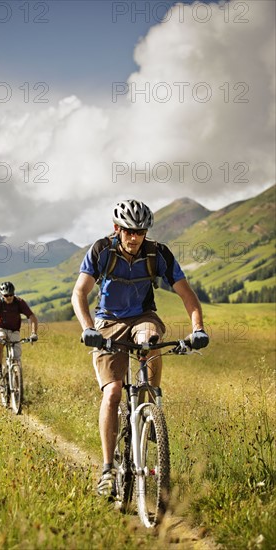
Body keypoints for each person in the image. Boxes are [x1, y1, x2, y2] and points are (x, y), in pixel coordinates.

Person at [71, 199, 209, 498]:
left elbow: (187, 294)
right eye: (129, 231)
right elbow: (79, 292)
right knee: (113, 392)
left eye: (141, 232)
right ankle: (108, 468)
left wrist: (198, 328)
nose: (135, 238)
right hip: (107, 321)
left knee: (150, 339)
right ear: (117, 229)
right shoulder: (101, 251)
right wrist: (88, 328)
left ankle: (149, 406)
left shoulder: (158, 253)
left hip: (142, 317)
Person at [0, 281, 38, 379]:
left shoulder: (19, 302)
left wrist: (34, 333)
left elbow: (32, 317)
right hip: (0, 328)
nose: (9, 297)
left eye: (11, 295)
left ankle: (16, 388)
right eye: (6, 295)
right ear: (2, 295)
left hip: (14, 331)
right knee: (1, 338)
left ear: (14, 293)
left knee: (16, 358)